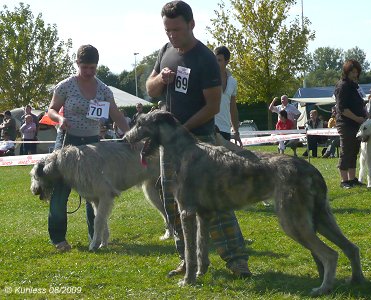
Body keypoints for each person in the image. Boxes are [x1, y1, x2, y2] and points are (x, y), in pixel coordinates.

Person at [146, 1, 251, 278]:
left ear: (191, 24)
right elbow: (150, 88)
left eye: (176, 29)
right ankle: (188, 259)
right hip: (171, 145)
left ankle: (237, 261)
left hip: (201, 142)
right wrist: (161, 80)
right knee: (173, 202)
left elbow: (213, 107)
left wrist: (183, 130)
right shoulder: (165, 51)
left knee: (213, 201)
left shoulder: (205, 59)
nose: (171, 35)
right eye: (167, 30)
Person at [47, 44, 130, 252]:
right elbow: (51, 110)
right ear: (77, 64)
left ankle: (96, 235)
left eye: (92, 68)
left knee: (94, 192)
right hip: (67, 142)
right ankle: (59, 239)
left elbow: (117, 115)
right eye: (85, 67)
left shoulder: (103, 89)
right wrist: (60, 118)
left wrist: (131, 135)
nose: (89, 72)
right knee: (60, 191)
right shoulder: (65, 86)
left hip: (93, 144)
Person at [334, 59, 367, 189]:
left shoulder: (355, 86)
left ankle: (353, 179)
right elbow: (342, 108)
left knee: (354, 150)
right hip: (346, 123)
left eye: (357, 72)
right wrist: (357, 118)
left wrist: (364, 115)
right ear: (347, 72)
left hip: (356, 123)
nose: (355, 74)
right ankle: (344, 181)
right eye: (353, 72)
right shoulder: (342, 86)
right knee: (346, 150)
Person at [213, 46, 242, 146]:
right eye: (215, 60)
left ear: (227, 62)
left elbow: (233, 108)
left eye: (219, 60)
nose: (215, 63)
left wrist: (236, 132)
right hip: (210, 129)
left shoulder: (233, 82)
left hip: (225, 130)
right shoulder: (208, 78)